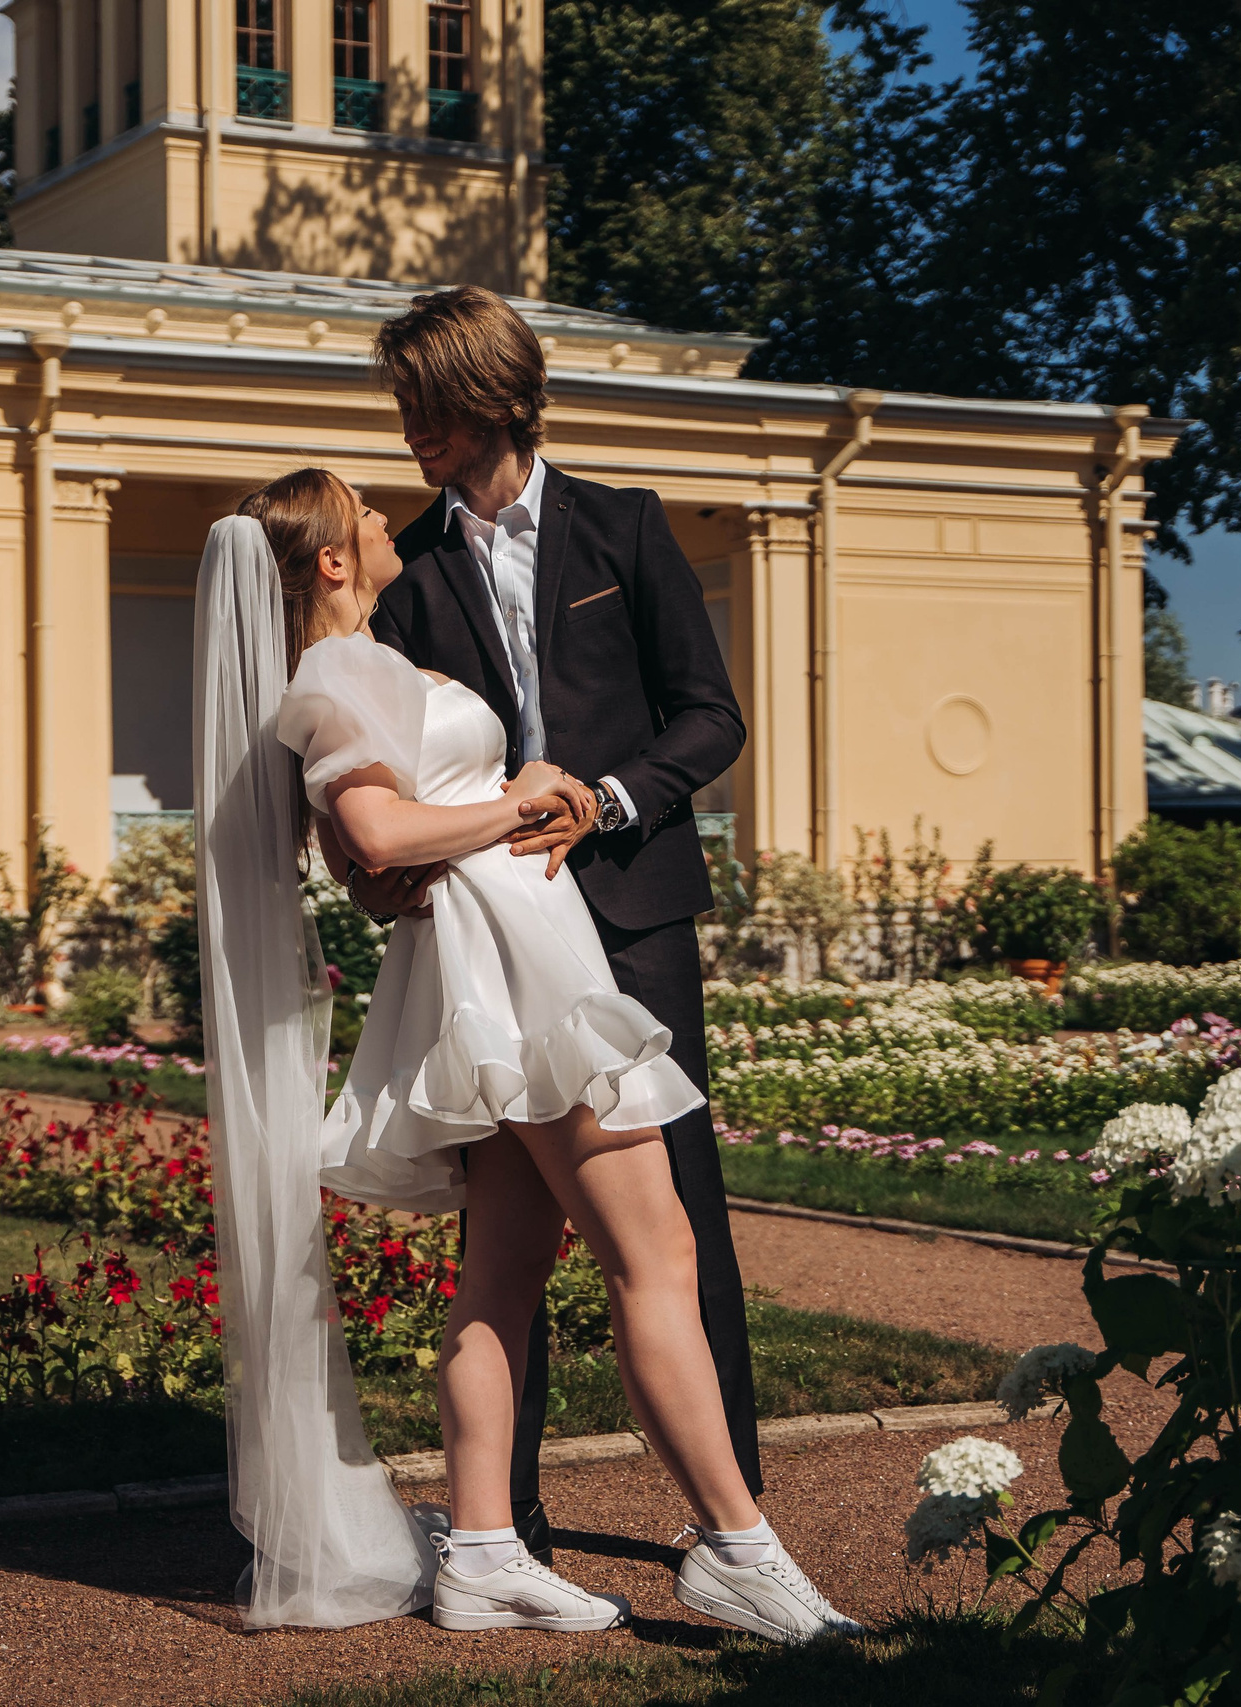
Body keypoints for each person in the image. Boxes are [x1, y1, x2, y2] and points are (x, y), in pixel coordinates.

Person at [193, 466, 859, 1642]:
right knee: (655, 1257)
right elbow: (376, 828)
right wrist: (522, 802)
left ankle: (486, 1551)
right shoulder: (339, 668)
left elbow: (379, 837)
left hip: (504, 959)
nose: (385, 513)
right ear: (334, 564)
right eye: (361, 510)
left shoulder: (359, 664)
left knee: (500, 1278)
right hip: (517, 973)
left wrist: (474, 818)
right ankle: (735, 1550)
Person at [354, 285, 768, 1570]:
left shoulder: (625, 531)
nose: (413, 428)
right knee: (506, 1239)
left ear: (498, 398)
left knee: (677, 1221)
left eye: (431, 404)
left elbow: (709, 718)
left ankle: (733, 1512)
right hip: (488, 935)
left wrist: (609, 801)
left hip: (633, 918)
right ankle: (507, 1524)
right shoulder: (408, 578)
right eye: (404, 405)